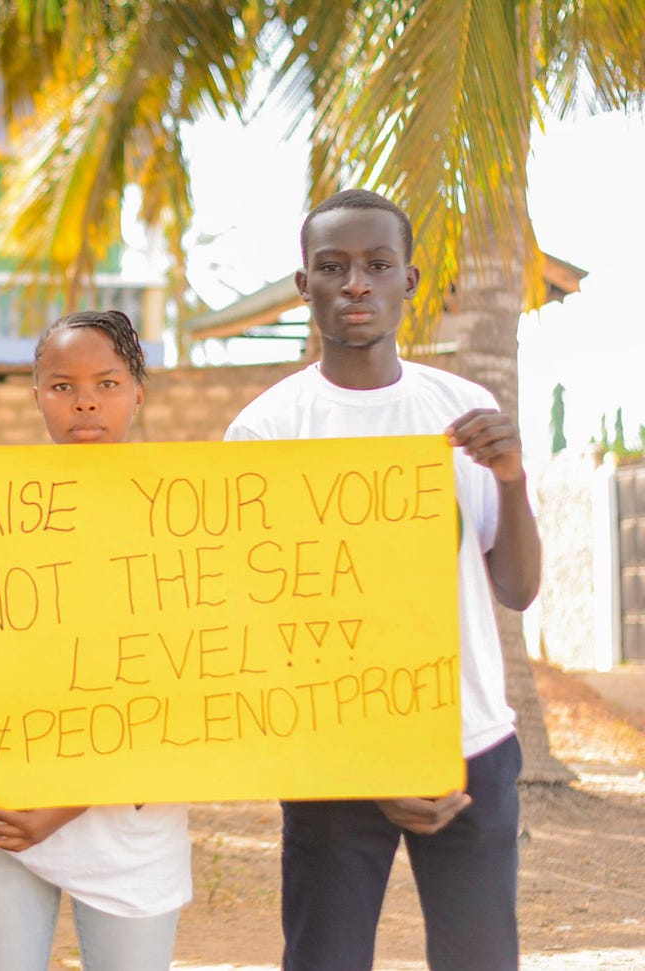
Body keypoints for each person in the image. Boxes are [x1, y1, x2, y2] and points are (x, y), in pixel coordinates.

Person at [225, 188, 541, 971]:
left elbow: (519, 589)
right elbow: (253, 617)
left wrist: (509, 479)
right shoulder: (267, 429)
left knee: (481, 959)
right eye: (332, 267)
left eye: (377, 265)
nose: (356, 284)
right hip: (333, 750)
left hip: (468, 745)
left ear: (411, 280)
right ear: (305, 286)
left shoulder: (466, 412)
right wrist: (363, 757)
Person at [0, 310, 192, 970]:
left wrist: (64, 804)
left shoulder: (185, 514)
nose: (84, 401)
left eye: (106, 383)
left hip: (132, 828)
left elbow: (188, 683)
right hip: (5, 817)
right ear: (37, 395)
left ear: (139, 390)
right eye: (61, 385)